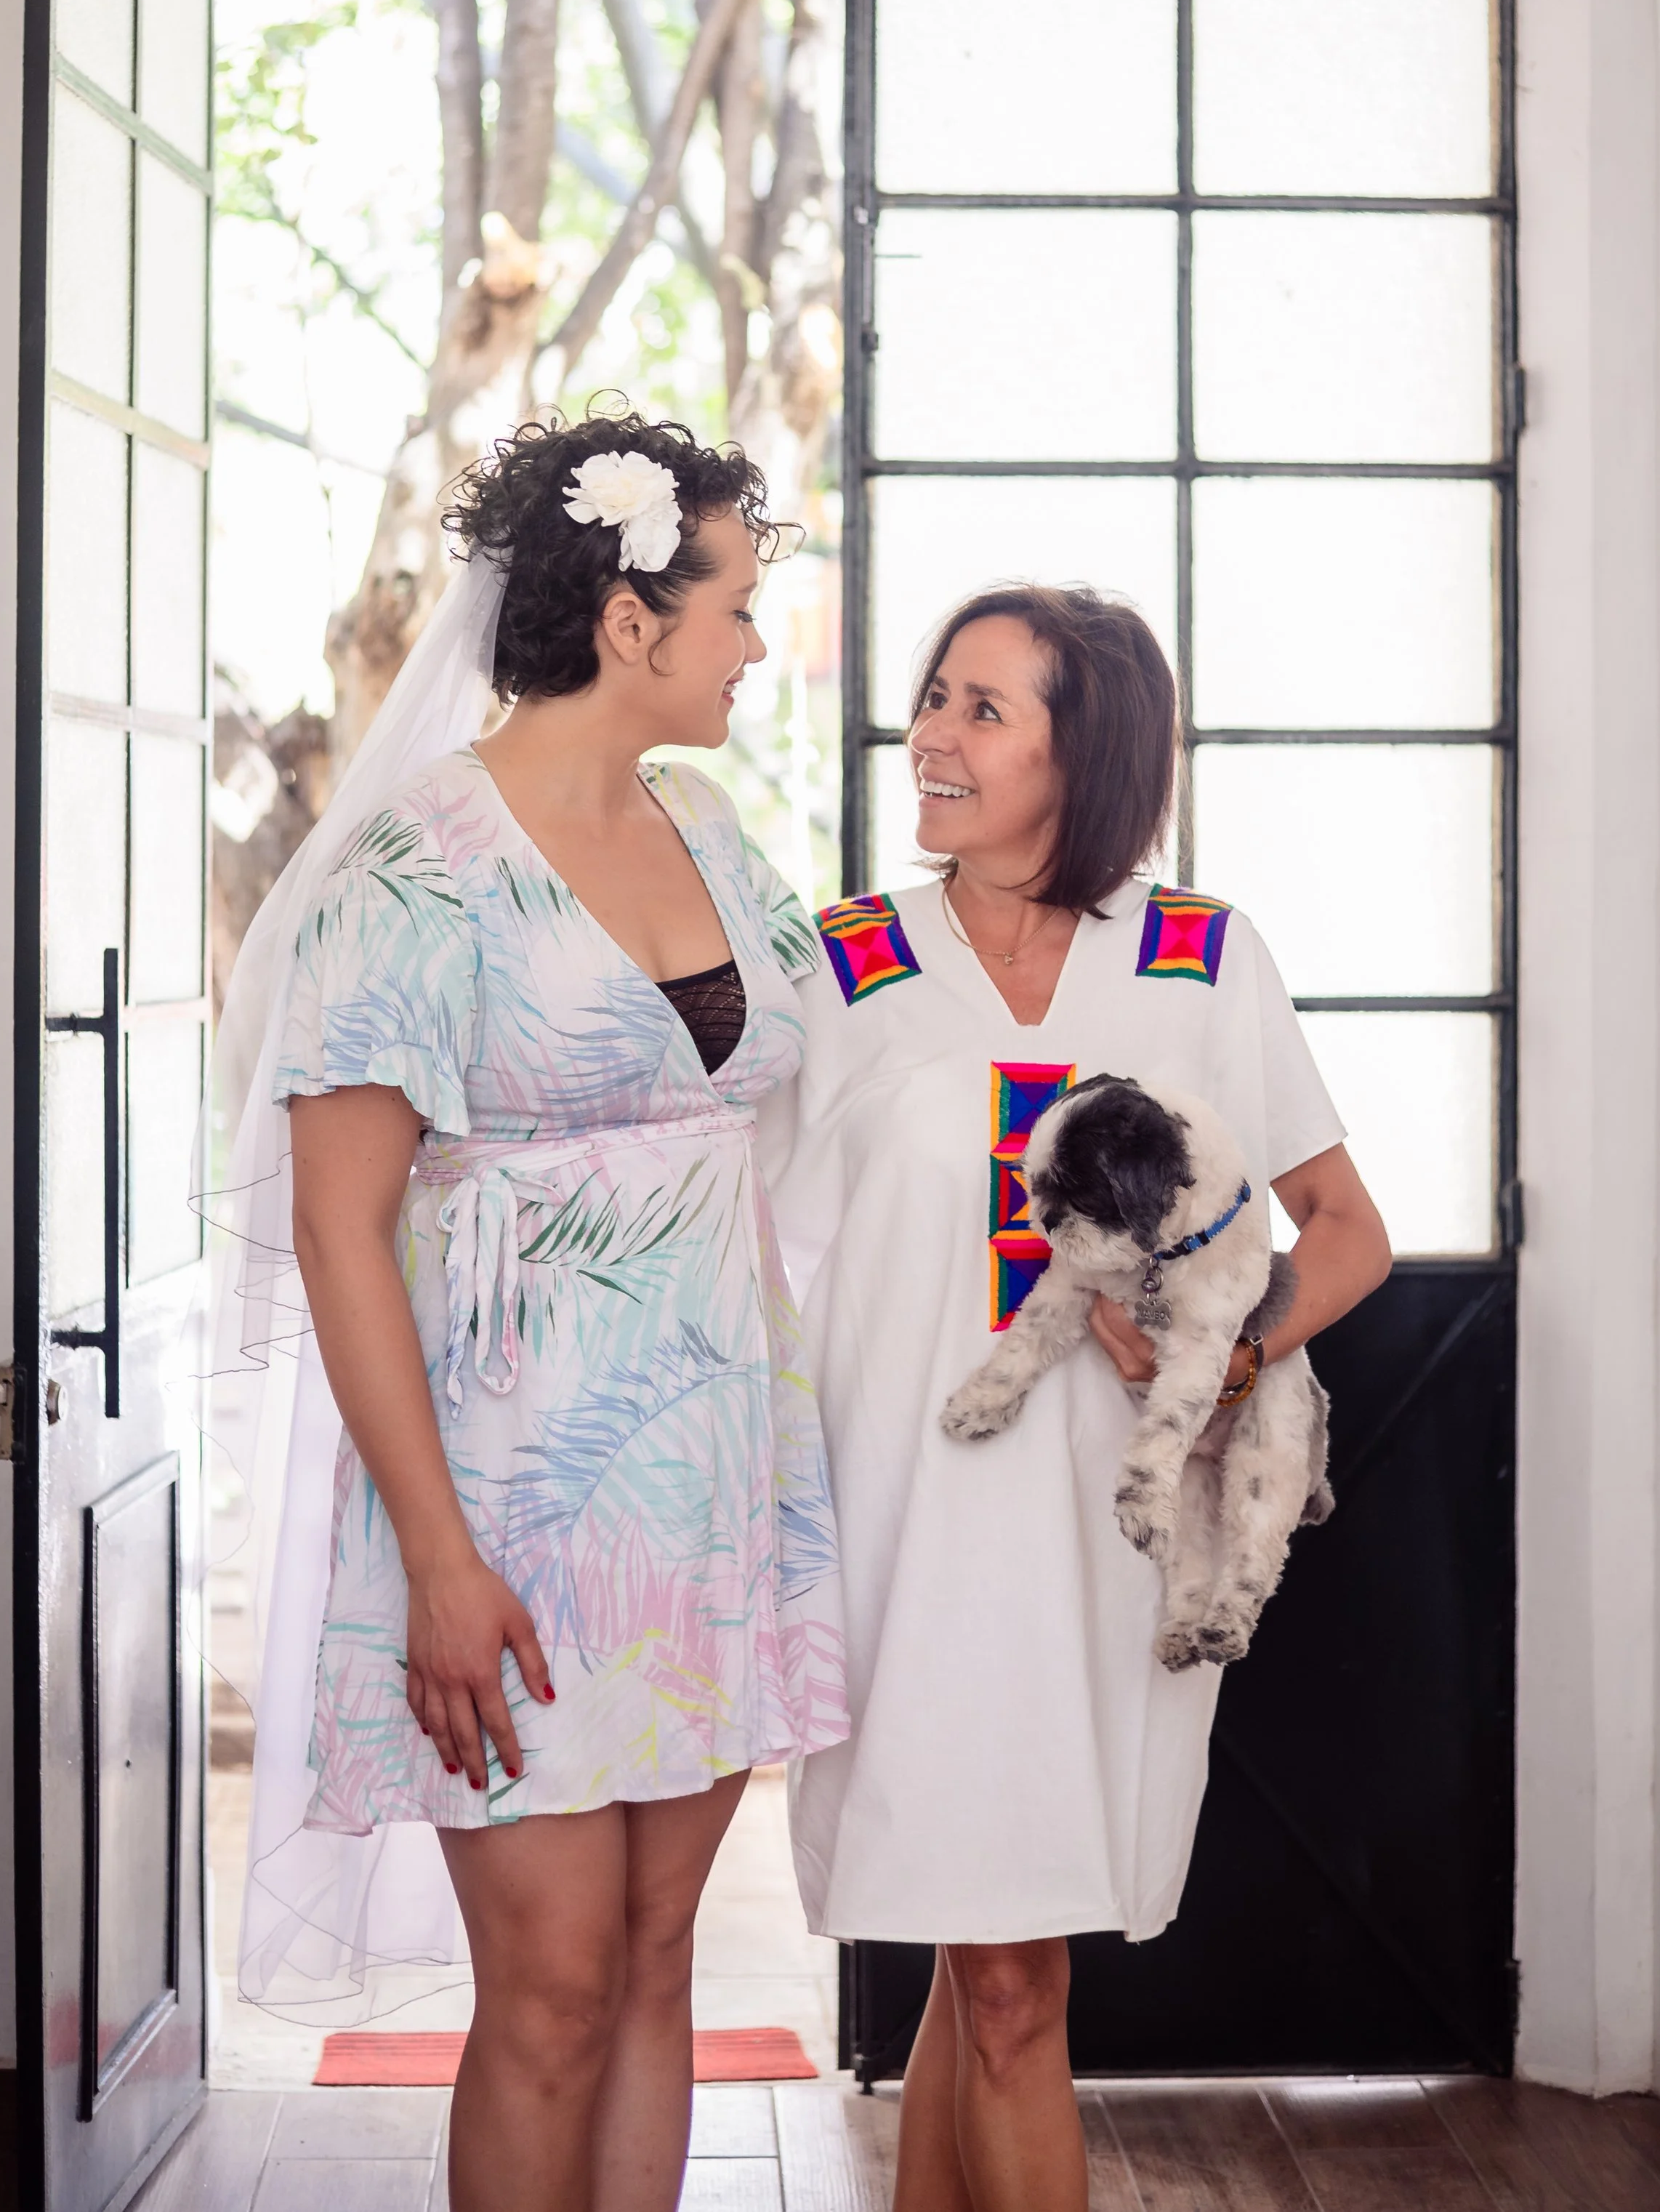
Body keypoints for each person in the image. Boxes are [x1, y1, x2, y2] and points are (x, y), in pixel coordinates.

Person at [210, 413, 847, 2212]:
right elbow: (340, 1234)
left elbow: (838, 1053)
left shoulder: (708, 828)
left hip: (711, 1487)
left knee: (655, 1966)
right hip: (506, 1502)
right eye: (733, 608)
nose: (751, 647)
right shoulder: (411, 872)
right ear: (631, 623)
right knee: (552, 1989)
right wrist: (437, 1561)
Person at [761, 584, 1390, 2212]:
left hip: (1109, 1551)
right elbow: (751, 1245)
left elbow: (1345, 1231)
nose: (933, 734)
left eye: (983, 708)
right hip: (905, 1530)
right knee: (990, 1975)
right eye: (934, 697)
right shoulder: (842, 960)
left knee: (1000, 1975)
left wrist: (1226, 1359)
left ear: (1082, 747)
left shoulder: (1198, 955)